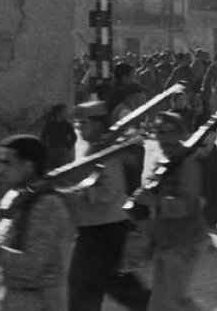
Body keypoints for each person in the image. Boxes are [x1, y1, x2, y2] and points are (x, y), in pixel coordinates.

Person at [0, 134, 73, 311]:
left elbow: (31, 267)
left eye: (6, 163)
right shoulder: (14, 196)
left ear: (27, 167)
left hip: (38, 301)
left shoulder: (47, 205)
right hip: (10, 297)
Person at [68, 101, 152, 311]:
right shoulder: (94, 150)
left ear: (98, 124)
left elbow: (110, 191)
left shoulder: (107, 154)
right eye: (78, 124)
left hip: (106, 226)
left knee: (97, 282)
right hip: (95, 226)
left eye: (84, 123)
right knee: (96, 282)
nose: (80, 128)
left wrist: (81, 192)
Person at [130, 112, 209, 311]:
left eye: (167, 132)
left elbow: (186, 206)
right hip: (167, 242)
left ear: (179, 133)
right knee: (159, 304)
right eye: (158, 132)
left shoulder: (187, 163)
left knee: (176, 302)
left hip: (185, 242)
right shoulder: (165, 162)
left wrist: (154, 200)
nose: (162, 138)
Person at [40, 104, 77, 171]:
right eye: (64, 112)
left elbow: (74, 136)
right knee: (50, 169)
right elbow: (43, 136)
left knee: (61, 170)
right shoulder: (50, 124)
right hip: (51, 150)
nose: (66, 114)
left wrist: (69, 146)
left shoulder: (67, 125)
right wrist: (46, 147)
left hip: (62, 150)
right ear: (58, 113)